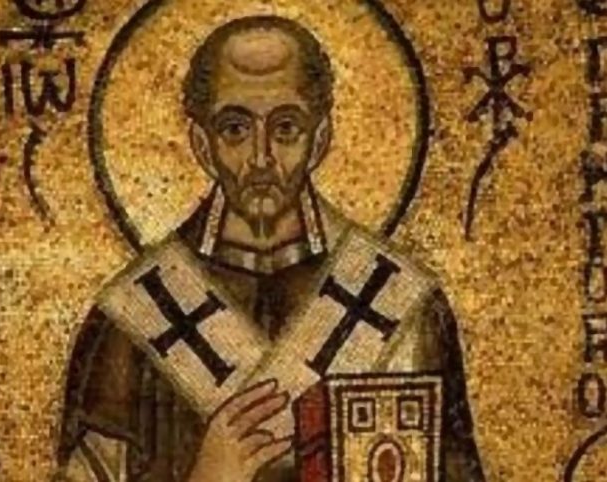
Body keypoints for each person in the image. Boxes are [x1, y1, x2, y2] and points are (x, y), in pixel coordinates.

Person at [57, 16, 486, 482]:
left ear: (319, 139)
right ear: (202, 145)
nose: (261, 158)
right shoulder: (133, 321)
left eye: (285, 128)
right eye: (235, 129)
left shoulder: (404, 307)